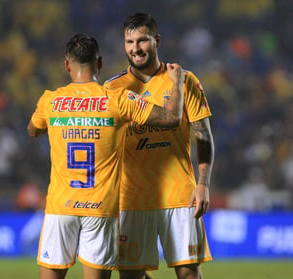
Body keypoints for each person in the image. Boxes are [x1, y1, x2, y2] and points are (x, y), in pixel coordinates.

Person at [27, 33, 185, 279]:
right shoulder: (117, 99)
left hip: (61, 207)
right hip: (99, 208)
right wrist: (176, 83)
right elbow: (171, 119)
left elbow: (33, 130)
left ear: (67, 64)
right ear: (99, 64)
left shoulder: (50, 100)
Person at [104, 13, 215, 279]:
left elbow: (203, 135)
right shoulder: (112, 88)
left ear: (157, 40)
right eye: (129, 42)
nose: (135, 48)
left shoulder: (185, 80)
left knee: (189, 273)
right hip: (131, 197)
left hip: (178, 193)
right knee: (130, 275)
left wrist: (203, 183)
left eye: (142, 40)